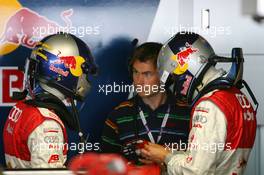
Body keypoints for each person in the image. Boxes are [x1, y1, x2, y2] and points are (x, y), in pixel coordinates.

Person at [140, 32, 258, 174]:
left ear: (188, 65)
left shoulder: (209, 105)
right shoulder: (238, 97)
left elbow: (196, 171)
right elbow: (212, 160)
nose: (176, 86)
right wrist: (167, 154)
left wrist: (166, 156)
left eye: (175, 78)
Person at [3, 33, 97, 168]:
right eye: (83, 71)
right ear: (63, 70)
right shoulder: (47, 125)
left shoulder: (22, 107)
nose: (84, 77)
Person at [100, 42, 190, 165]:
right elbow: (106, 167)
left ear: (164, 76)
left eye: (147, 74)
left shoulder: (188, 114)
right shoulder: (118, 116)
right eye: (136, 72)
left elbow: (198, 166)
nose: (139, 81)